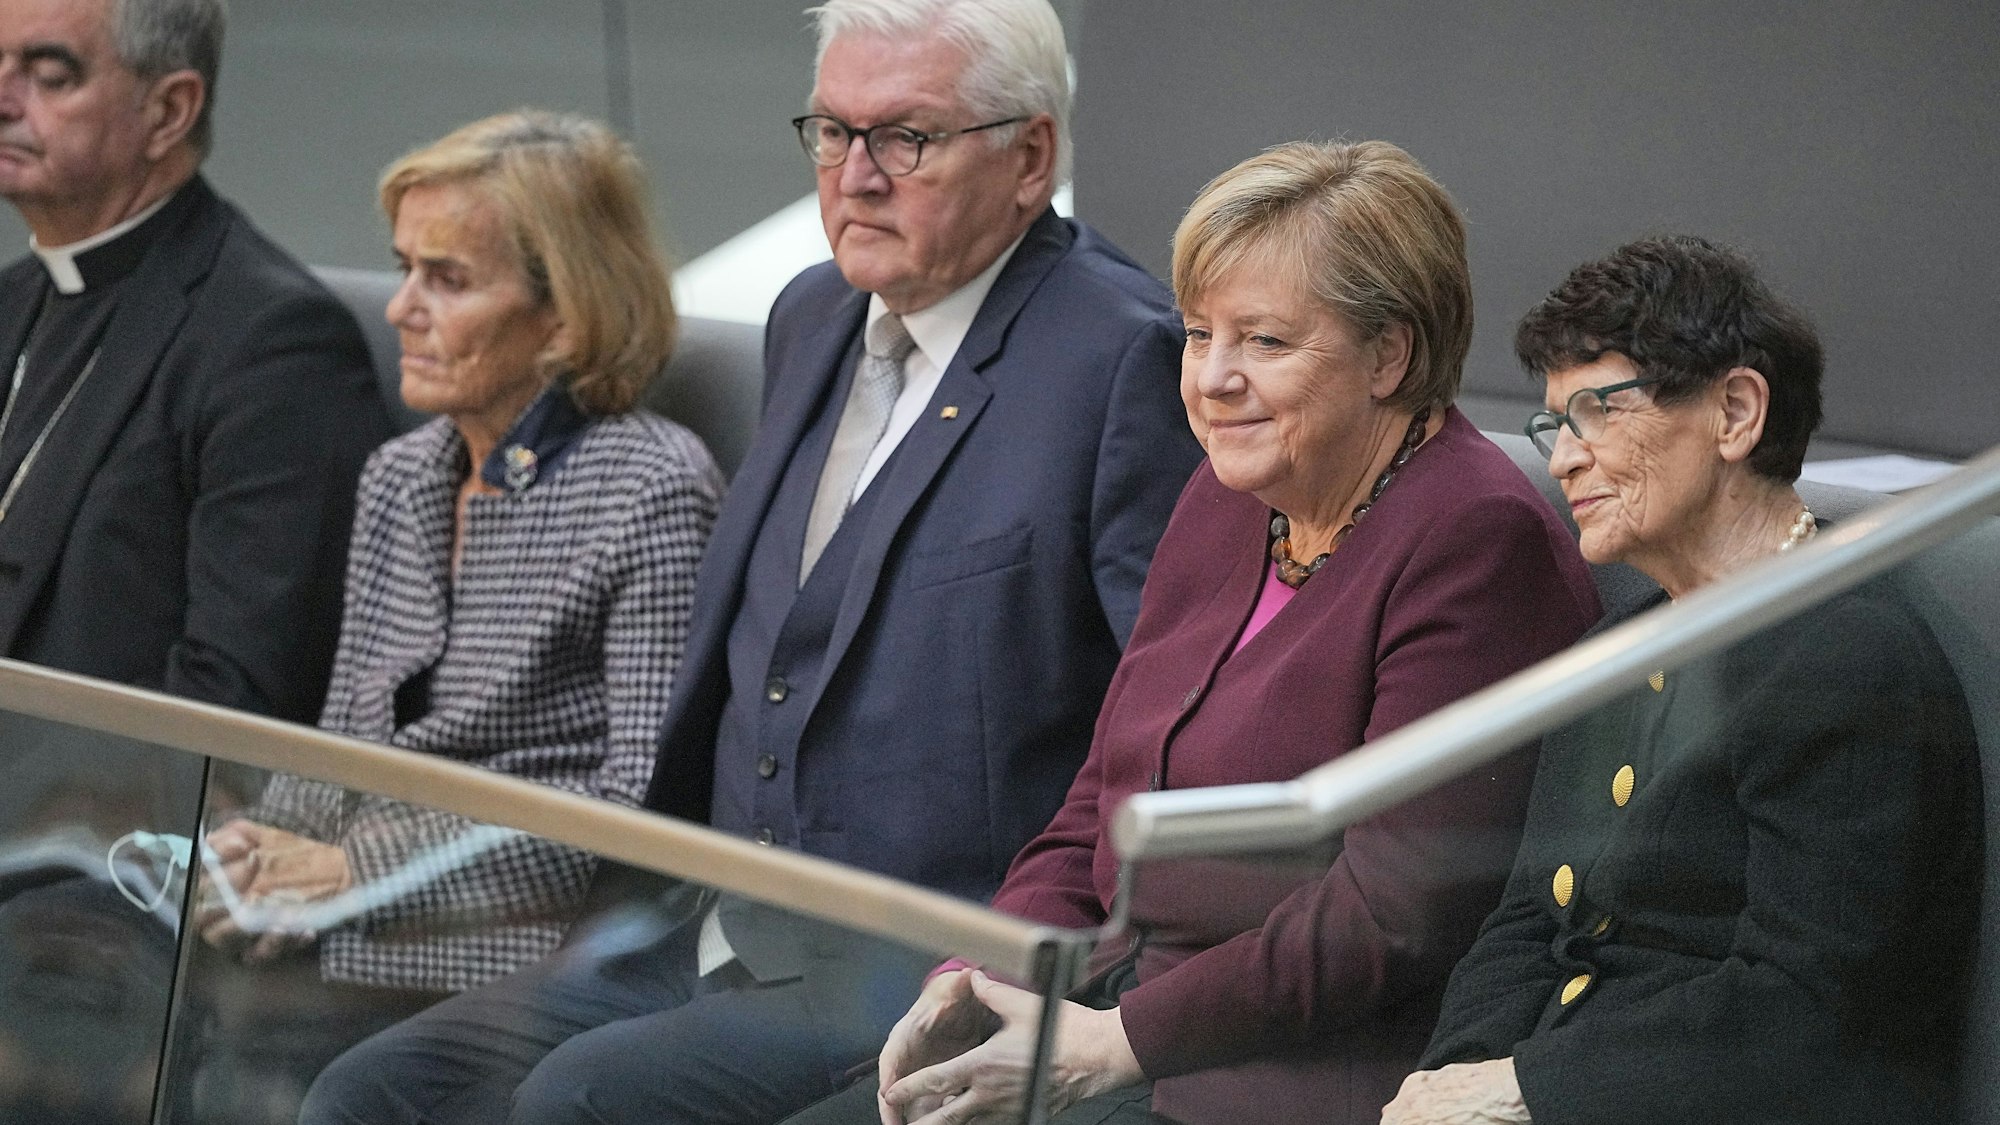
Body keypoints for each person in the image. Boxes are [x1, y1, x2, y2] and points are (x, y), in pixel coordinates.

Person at [297, 1, 1202, 1122]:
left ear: (1030, 158)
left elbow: (1162, 715)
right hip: (707, 911)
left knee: (580, 1101)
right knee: (370, 1091)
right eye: (831, 132)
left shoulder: (1121, 356)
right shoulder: (813, 312)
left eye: (904, 137)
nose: (855, 175)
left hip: (925, 948)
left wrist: (1035, 966)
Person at [792, 139, 1603, 1125]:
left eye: (1262, 342)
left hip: (1285, 1079)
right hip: (1100, 1019)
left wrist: (1118, 1043)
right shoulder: (1223, 497)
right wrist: (969, 982)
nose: (1211, 379)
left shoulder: (1476, 539)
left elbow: (1392, 915)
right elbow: (1098, 800)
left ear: (1387, 355)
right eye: (1196, 334)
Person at [1382, 236, 1981, 1125]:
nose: (1564, 458)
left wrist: (1522, 1091)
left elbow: (1801, 1012)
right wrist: (1456, 1075)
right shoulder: (1619, 646)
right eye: (1556, 423)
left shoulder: (1844, 659)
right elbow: (1522, 923)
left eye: (1598, 411)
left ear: (1735, 413)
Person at [199, 109, 723, 999]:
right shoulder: (401, 473)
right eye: (405, 269)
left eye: (447, 279)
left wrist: (353, 871)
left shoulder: (654, 484)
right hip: (337, 929)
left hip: (517, 951)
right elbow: (347, 737)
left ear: (562, 317)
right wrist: (258, 844)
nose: (401, 307)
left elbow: (635, 809)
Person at [0, 0, 387, 721]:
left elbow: (231, 704)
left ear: (170, 111)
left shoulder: (275, 347)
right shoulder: (14, 297)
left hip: (91, 820)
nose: (4, 99)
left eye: (49, 75)